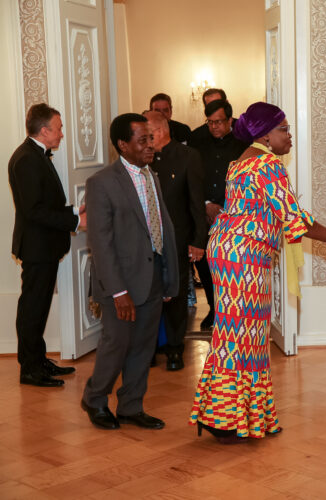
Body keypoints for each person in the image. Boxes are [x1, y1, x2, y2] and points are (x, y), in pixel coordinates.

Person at [189, 102, 326, 443]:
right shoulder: (267, 164)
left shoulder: (241, 161)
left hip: (230, 252)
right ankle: (226, 419)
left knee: (239, 334)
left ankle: (238, 415)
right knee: (241, 336)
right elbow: (295, 218)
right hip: (243, 257)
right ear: (265, 134)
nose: (289, 136)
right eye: (284, 129)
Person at [81, 113, 179, 430]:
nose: (150, 145)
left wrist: (168, 275)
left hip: (152, 277)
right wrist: (118, 291)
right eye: (143, 139)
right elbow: (101, 243)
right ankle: (95, 399)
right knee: (116, 345)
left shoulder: (153, 176)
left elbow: (161, 227)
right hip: (119, 284)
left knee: (142, 347)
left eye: (151, 138)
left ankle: (130, 405)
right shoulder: (101, 183)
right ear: (123, 145)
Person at [8, 103, 85, 387]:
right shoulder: (27, 158)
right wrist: (75, 223)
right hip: (37, 247)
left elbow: (44, 205)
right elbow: (34, 211)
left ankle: (38, 360)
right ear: (44, 130)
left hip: (45, 246)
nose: (62, 133)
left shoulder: (36, 155)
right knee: (33, 308)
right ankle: (29, 368)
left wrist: (76, 211)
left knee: (38, 308)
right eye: (59, 127)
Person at [144, 111, 207, 370]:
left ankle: (175, 348)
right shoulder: (140, 158)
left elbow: (195, 203)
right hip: (145, 241)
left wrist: (198, 241)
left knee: (177, 295)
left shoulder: (187, 157)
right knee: (147, 295)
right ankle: (147, 350)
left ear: (159, 131)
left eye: (147, 134)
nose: (145, 140)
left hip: (177, 240)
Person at [188, 99, 249, 330]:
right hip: (204, 214)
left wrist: (227, 207)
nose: (214, 127)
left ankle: (232, 313)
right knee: (204, 264)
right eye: (210, 122)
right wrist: (205, 205)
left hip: (233, 214)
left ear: (230, 120)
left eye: (219, 122)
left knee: (231, 265)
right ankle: (214, 309)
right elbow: (193, 179)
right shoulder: (198, 143)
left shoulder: (243, 144)